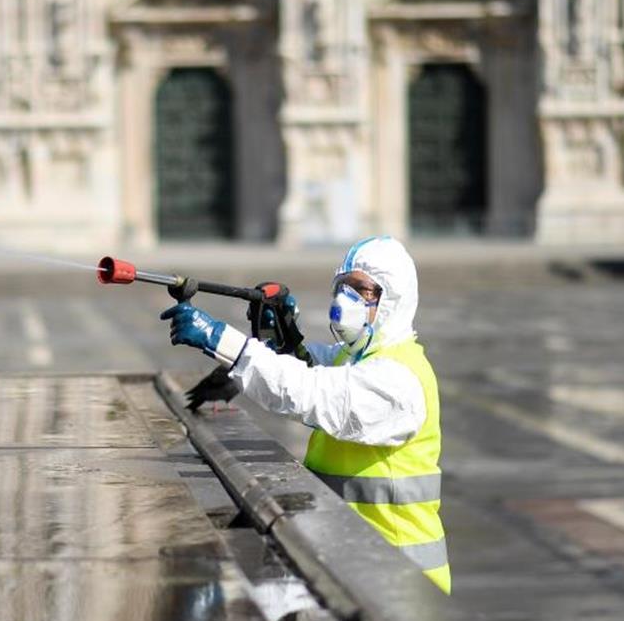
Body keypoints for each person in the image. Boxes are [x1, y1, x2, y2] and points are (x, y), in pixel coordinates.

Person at [160, 236, 451, 594]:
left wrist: (221, 339)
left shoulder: (398, 379)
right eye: (342, 288)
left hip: (404, 584)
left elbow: (309, 392)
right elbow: (310, 368)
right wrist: (286, 341)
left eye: (361, 290)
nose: (346, 299)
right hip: (360, 571)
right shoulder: (357, 358)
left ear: (391, 299)